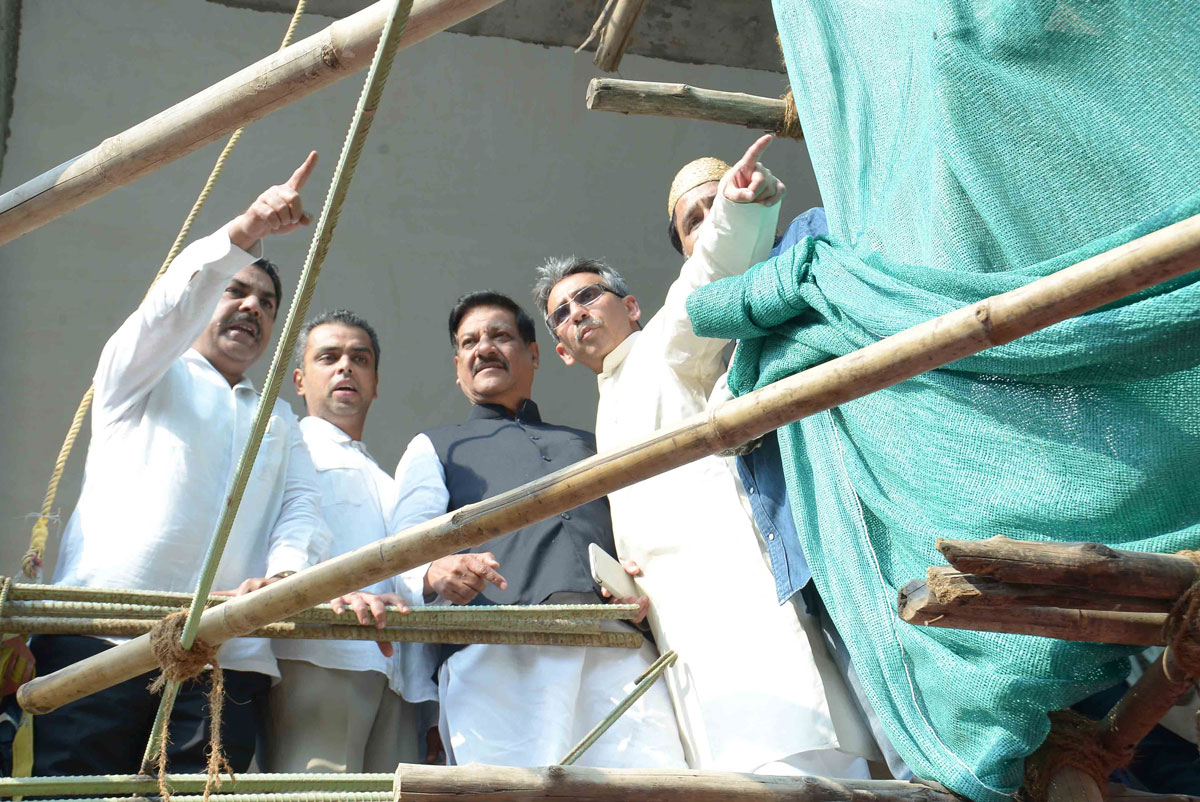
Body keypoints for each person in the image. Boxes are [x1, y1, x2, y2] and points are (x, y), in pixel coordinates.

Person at [533, 135, 876, 777]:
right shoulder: (603, 415)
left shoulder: (665, 344)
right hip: (681, 627)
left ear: (631, 307)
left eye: (589, 297)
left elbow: (706, 277)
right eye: (561, 314)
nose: (576, 314)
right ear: (559, 350)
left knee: (801, 761)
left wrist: (738, 208)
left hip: (735, 590)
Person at [30, 153, 332, 775]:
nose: (252, 308)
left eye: (267, 303)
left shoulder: (280, 418)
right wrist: (245, 231)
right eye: (237, 290)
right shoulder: (141, 371)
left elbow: (302, 508)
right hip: (100, 638)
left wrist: (286, 574)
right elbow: (166, 309)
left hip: (227, 655)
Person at [670, 152, 911, 780]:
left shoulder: (808, 238)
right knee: (899, 734)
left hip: (884, 505)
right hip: (809, 549)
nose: (710, 217)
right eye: (693, 221)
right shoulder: (705, 341)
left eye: (713, 201)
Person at [390, 291, 686, 769]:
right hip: (497, 655)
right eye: (469, 342)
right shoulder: (435, 446)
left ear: (534, 354)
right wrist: (435, 570)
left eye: (500, 336)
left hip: (615, 648)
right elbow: (402, 549)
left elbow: (642, 528)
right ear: (458, 367)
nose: (483, 348)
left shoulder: (594, 440)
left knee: (652, 783)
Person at [267, 310, 436, 772]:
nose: (345, 367)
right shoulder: (285, 447)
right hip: (321, 656)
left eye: (359, 358)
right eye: (329, 357)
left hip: (395, 674)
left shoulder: (388, 479)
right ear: (300, 380)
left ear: (375, 383)